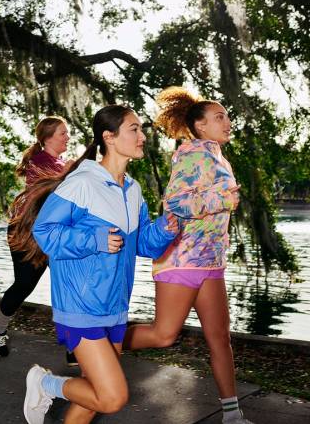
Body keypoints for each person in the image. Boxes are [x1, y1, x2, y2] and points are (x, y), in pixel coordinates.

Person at [14, 105, 179, 424]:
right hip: (80, 305)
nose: (143, 136)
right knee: (113, 396)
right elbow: (45, 232)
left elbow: (142, 243)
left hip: (114, 306)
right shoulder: (82, 183)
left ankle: (48, 387)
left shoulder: (133, 190)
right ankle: (45, 383)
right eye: (135, 129)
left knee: (94, 398)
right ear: (110, 137)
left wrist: (166, 227)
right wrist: (94, 240)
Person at [122, 87, 252, 424]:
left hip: (210, 261)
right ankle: (94, 341)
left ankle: (233, 414)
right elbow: (175, 203)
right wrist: (220, 201)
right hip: (182, 258)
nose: (227, 121)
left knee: (220, 337)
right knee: (165, 335)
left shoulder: (218, 156)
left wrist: (220, 203)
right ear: (200, 126)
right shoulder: (193, 154)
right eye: (219, 117)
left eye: (227, 116)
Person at [0, 116, 70, 358]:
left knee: (66, 284)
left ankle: (73, 344)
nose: (67, 138)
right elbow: (61, 184)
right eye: (62, 133)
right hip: (26, 233)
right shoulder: (41, 162)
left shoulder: (61, 163)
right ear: (47, 138)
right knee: (24, 284)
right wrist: (76, 169)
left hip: (53, 233)